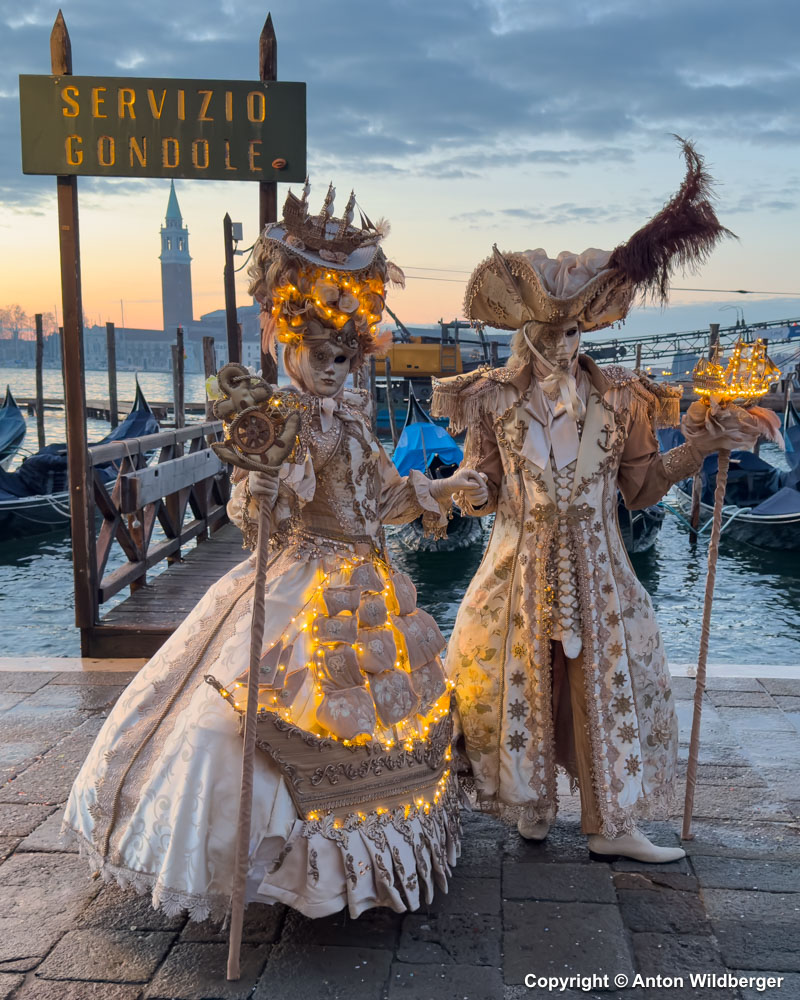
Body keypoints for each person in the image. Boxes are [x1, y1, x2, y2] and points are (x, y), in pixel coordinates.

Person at [63, 185, 486, 921]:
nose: (336, 369)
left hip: (370, 587)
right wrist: (261, 491)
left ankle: (367, 867)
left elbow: (383, 499)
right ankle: (277, 871)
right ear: (290, 347)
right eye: (323, 355)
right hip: (304, 585)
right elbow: (255, 517)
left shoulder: (352, 419)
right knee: (251, 721)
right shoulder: (279, 419)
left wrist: (444, 489)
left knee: (384, 710)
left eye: (346, 357)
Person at [433, 140, 762, 863]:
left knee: (601, 681)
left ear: (588, 329)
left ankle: (611, 825)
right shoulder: (490, 401)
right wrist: (464, 488)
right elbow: (485, 487)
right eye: (547, 332)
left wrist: (702, 447)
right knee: (523, 681)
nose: (560, 345)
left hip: (602, 572)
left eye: (572, 330)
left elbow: (639, 487)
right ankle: (532, 804)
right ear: (526, 332)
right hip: (516, 573)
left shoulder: (622, 400)